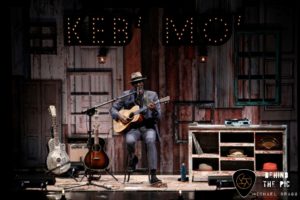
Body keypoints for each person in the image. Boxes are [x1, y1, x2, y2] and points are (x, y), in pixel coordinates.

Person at [110, 71, 162, 184]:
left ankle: (153, 174)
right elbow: (113, 109)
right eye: (136, 83)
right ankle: (133, 159)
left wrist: (153, 110)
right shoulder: (126, 95)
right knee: (129, 140)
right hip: (133, 128)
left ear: (143, 82)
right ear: (133, 84)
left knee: (150, 140)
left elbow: (159, 116)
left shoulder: (152, 95)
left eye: (140, 82)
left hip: (148, 127)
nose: (139, 84)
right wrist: (119, 116)